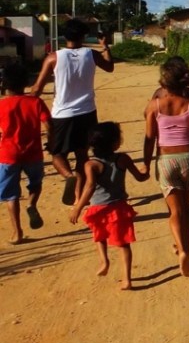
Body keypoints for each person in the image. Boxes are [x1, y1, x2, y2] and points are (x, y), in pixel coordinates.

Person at [32, 18, 114, 205]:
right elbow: (110, 67)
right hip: (87, 113)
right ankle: (78, 197)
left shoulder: (53, 57)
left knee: (57, 154)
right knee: (82, 155)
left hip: (62, 114)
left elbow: (37, 89)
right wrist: (106, 47)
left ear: (64, 36)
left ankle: (69, 176)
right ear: (83, 35)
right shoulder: (92, 55)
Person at [143, 59, 189, 277]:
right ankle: (187, 250)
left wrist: (145, 163)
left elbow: (149, 138)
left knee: (174, 211)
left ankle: (181, 250)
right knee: (187, 209)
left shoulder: (155, 104)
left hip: (166, 160)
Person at [69, 121, 147, 290]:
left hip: (98, 208)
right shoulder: (123, 159)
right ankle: (127, 279)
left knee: (99, 236)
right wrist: (145, 171)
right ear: (115, 142)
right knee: (123, 244)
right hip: (118, 208)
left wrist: (78, 207)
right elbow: (140, 177)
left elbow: (89, 187)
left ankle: (104, 261)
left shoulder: (91, 164)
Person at [0, 61, 52, 242]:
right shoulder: (36, 102)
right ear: (25, 83)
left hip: (8, 155)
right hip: (34, 153)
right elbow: (48, 124)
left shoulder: (1, 106)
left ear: (5, 85)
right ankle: (31, 203)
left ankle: (17, 232)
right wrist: (51, 142)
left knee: (10, 195)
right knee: (36, 183)